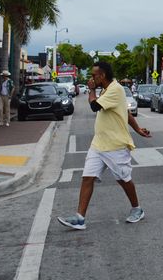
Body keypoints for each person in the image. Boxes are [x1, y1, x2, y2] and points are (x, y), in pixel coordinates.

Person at [58, 61, 151, 230]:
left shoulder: (115, 89)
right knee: (87, 178)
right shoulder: (107, 90)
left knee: (123, 179)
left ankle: (137, 209)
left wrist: (92, 90)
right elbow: (125, 111)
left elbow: (94, 106)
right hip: (99, 144)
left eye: (94, 75)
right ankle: (80, 218)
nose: (91, 78)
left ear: (102, 76)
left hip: (115, 144)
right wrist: (137, 128)